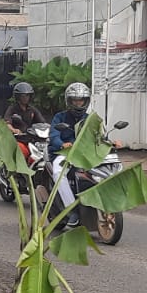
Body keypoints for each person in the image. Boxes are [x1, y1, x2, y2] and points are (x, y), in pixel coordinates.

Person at [48, 83, 93, 226]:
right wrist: (62, 144)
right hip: (65, 153)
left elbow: (98, 136)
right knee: (58, 171)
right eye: (75, 100)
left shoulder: (90, 119)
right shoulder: (59, 117)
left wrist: (111, 142)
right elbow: (54, 135)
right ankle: (71, 209)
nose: (78, 103)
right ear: (69, 101)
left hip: (85, 154)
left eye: (81, 100)